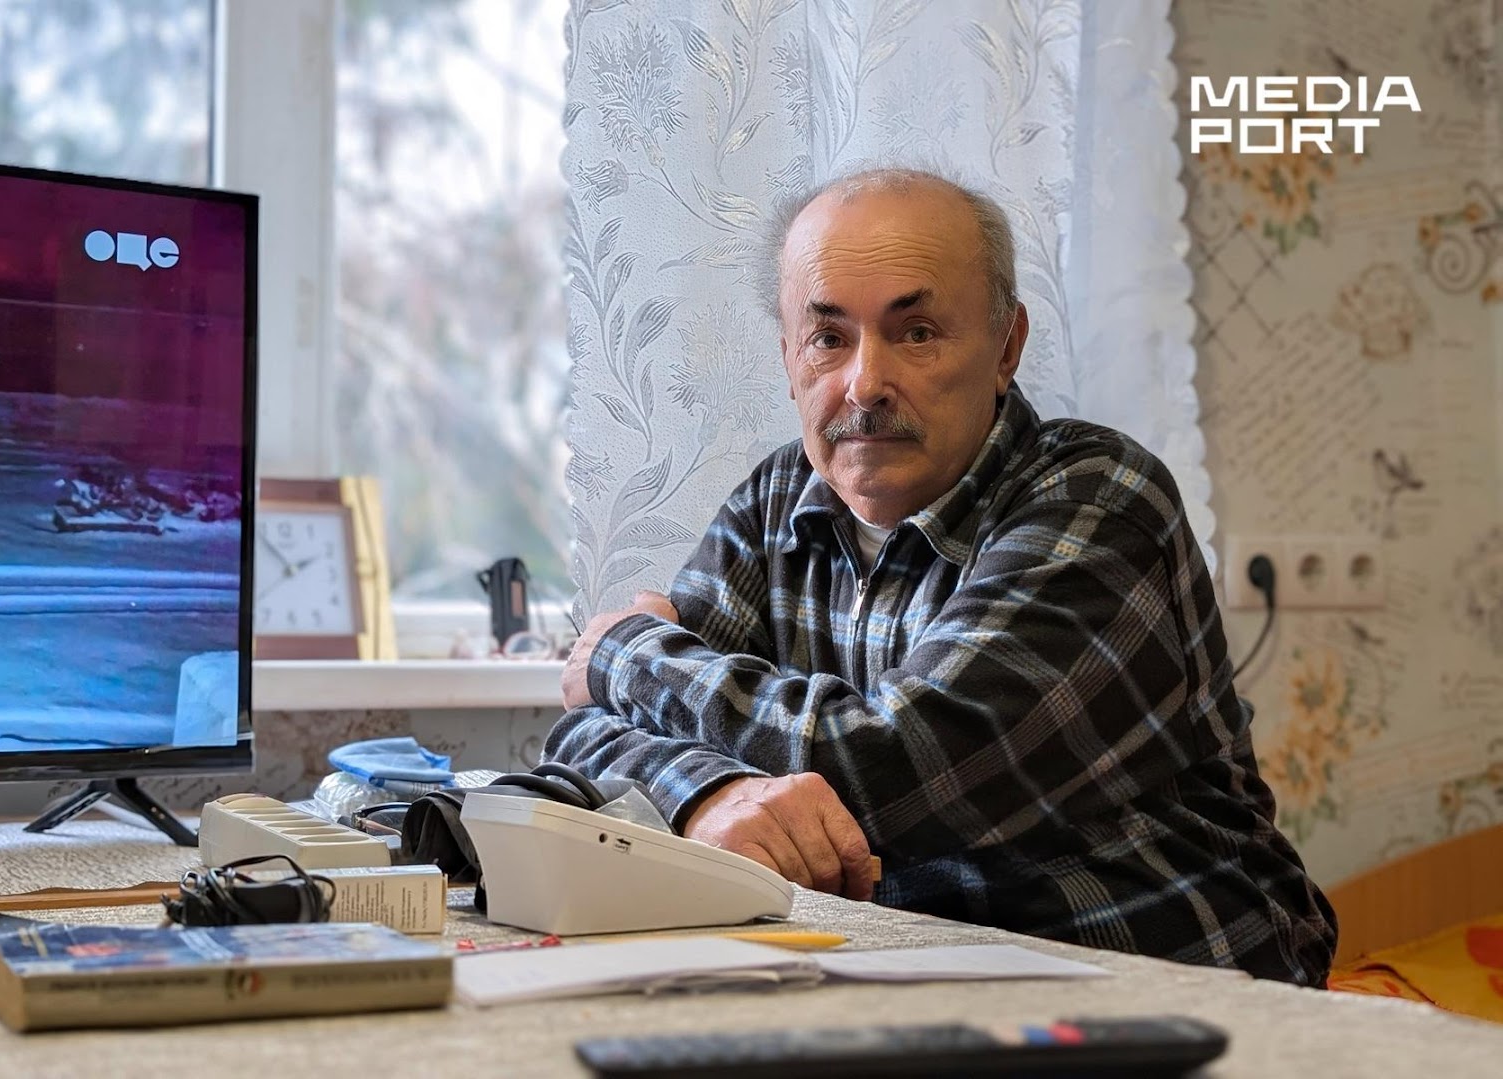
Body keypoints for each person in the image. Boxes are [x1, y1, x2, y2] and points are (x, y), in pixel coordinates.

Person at [546, 167, 1337, 986]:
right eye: (828, 338)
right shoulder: (777, 498)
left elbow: (896, 772)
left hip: (1168, 979)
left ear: (1006, 347)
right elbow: (574, 742)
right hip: (917, 976)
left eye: (916, 331)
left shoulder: (1097, 499)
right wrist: (704, 796)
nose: (864, 383)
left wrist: (622, 652)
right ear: (788, 358)